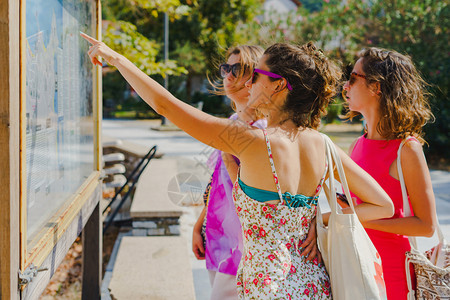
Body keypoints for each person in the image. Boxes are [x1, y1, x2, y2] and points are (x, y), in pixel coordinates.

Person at [81, 33, 394, 298]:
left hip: (265, 288)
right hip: (314, 286)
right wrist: (321, 221)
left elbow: (166, 105)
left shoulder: (252, 141)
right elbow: (383, 204)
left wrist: (118, 60)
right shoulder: (322, 144)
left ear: (278, 85)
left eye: (257, 76)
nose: (249, 83)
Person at [343, 47, 436, 299]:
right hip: (354, 267)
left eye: (352, 78)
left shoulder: (406, 149)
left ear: (376, 87)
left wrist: (360, 221)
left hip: (392, 272)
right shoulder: (356, 145)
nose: (345, 85)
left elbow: (426, 226)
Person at [192, 45, 266, 300]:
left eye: (237, 69)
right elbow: (218, 182)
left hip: (244, 240)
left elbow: (260, 191)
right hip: (217, 233)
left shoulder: (264, 129)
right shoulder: (232, 122)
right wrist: (200, 223)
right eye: (226, 68)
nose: (229, 76)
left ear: (256, 78)